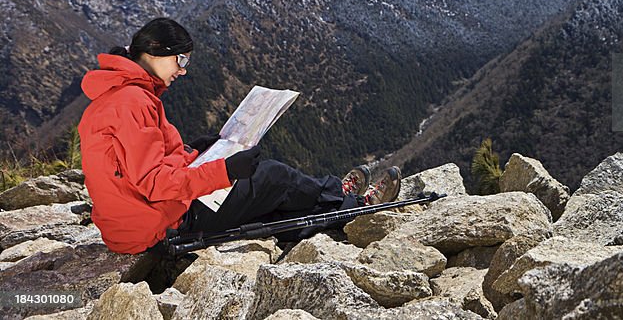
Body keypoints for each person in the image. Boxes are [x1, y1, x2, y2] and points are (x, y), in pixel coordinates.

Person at [78, 17, 402, 254]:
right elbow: (153, 182)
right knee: (274, 177)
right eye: (181, 59)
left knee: (271, 202)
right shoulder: (133, 102)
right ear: (156, 52)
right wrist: (225, 170)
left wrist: (195, 152)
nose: (183, 69)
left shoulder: (117, 95)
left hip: (131, 222)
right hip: (158, 224)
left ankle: (337, 203)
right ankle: (356, 204)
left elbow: (137, 166)